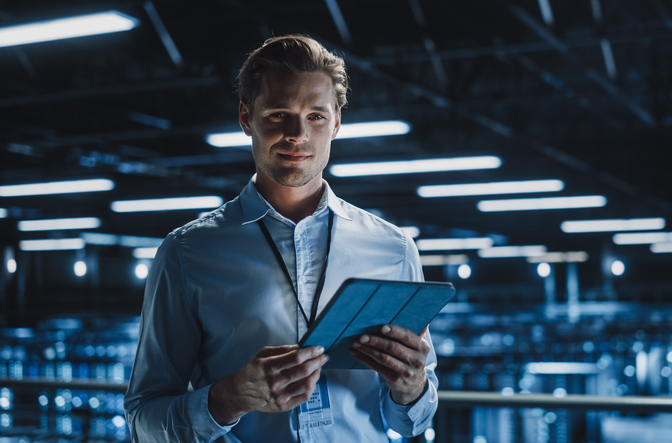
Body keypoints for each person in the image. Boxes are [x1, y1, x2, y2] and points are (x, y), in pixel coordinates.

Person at [123, 35, 438, 442]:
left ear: (337, 121)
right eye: (277, 114)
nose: (297, 133)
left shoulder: (394, 250)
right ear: (245, 116)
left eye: (316, 116)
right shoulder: (186, 254)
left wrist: (412, 390)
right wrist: (227, 398)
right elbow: (142, 420)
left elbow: (413, 422)